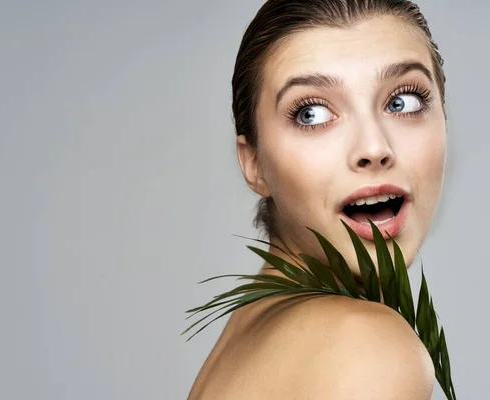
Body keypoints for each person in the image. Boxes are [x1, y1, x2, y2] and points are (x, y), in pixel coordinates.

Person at [188, 0, 447, 398]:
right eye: (311, 113)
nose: (374, 146)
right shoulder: (366, 346)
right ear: (253, 163)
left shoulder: (256, 331)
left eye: (403, 102)